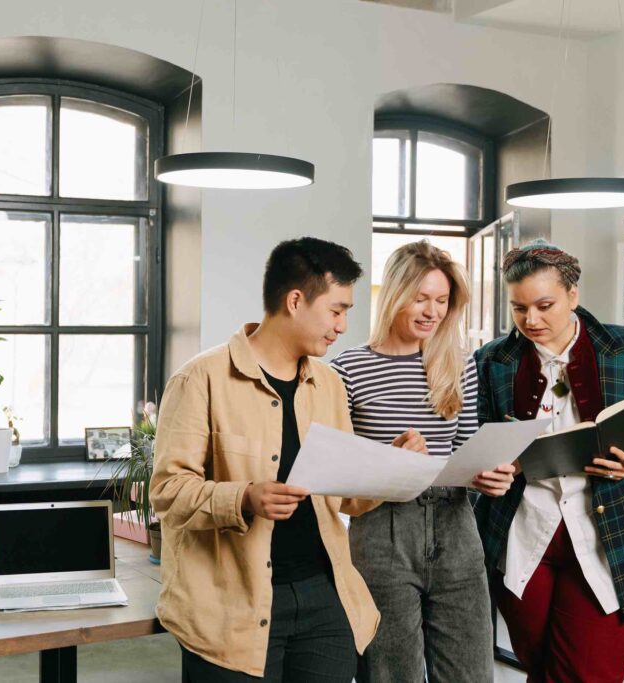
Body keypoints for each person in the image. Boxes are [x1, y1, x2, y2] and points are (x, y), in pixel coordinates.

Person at [151, 237, 381, 681]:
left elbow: (346, 495)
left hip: (323, 599)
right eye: (336, 310)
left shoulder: (329, 385)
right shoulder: (200, 379)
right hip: (230, 610)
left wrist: (389, 470)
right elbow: (166, 492)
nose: (341, 326)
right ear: (295, 301)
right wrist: (244, 498)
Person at [473, 240, 624, 682]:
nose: (531, 320)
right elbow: (481, 443)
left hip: (611, 534)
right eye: (519, 309)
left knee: (588, 673)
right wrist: (489, 470)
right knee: (540, 666)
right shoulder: (493, 360)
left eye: (544, 305)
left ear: (573, 295)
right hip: (522, 532)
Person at [331, 240, 515, 682]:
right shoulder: (346, 369)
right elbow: (335, 474)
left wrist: (488, 476)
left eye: (442, 300)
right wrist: (389, 461)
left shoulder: (459, 364)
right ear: (395, 293)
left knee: (471, 674)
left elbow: (467, 447)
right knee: (391, 674)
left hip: (456, 525)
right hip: (381, 532)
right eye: (421, 298)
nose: (432, 311)